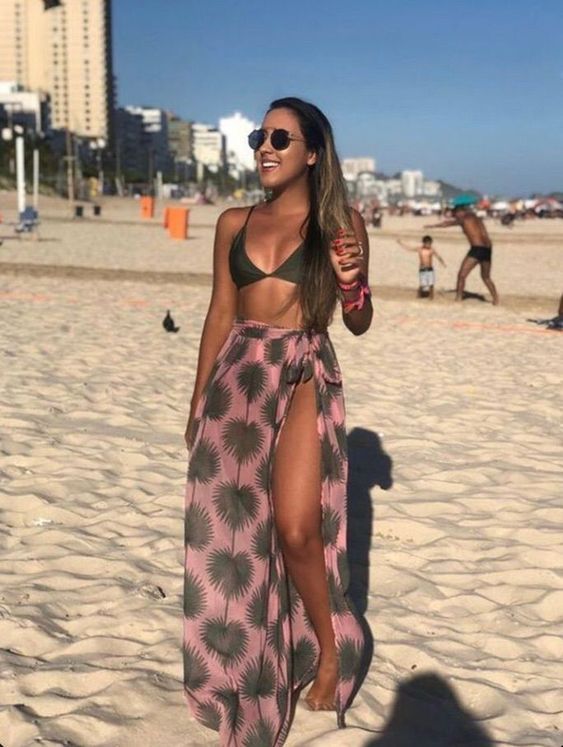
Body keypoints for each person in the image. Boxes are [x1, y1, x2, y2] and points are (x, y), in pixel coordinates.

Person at [183, 97, 372, 746]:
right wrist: (196, 402)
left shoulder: (340, 224)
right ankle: (243, 662)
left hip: (301, 373)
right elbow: (219, 312)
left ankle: (330, 648)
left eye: (281, 138)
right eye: (261, 137)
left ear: (312, 153)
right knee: (232, 536)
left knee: (294, 529)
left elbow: (358, 321)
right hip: (237, 378)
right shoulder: (232, 223)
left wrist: (352, 284)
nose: (265, 146)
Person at [426, 201, 499, 305]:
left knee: (461, 275)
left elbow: (447, 224)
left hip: (477, 249)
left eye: (455, 213)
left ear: (460, 212)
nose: (455, 216)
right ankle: (496, 298)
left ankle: (459, 298)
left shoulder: (463, 218)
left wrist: (432, 226)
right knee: (486, 277)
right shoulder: (475, 217)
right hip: (488, 249)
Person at [396, 234, 446, 299]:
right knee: (422, 284)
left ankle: (431, 297)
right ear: (424, 243)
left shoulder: (432, 250)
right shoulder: (420, 249)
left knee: (431, 284)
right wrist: (401, 243)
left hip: (430, 269)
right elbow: (409, 248)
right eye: (428, 243)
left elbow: (438, 256)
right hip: (422, 269)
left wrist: (442, 263)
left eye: (430, 244)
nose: (429, 245)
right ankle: (419, 295)